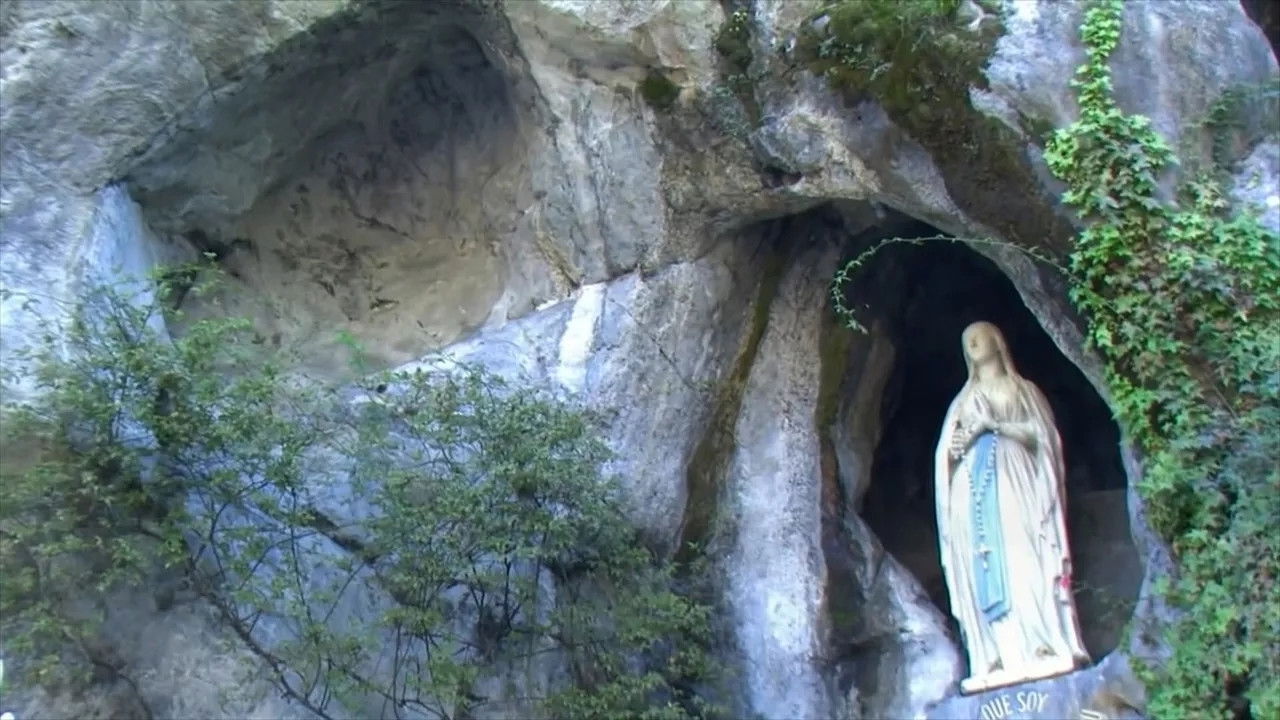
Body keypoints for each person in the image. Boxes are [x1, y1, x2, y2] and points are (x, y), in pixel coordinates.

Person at [934, 321, 1090, 694]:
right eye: (966, 338)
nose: (972, 341)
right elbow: (946, 455)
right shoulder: (962, 401)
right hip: (972, 494)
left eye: (980, 334)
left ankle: (1039, 643)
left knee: (1022, 558)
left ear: (997, 340)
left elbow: (1043, 437)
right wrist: (956, 451)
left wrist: (995, 426)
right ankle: (998, 652)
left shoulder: (1023, 391)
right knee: (982, 565)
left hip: (1014, 483)